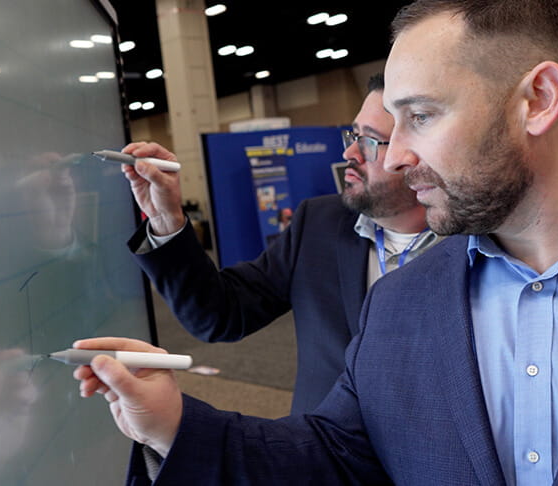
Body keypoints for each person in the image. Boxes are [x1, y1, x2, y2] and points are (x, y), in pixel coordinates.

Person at [73, 1, 558, 484]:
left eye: (420, 117)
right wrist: (173, 424)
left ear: (538, 100)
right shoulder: (401, 303)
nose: (394, 157)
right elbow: (340, 458)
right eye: (384, 129)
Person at [120, 73, 438, 415]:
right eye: (354, 134)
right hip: (319, 453)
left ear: (415, 155)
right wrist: (167, 219)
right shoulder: (318, 224)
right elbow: (218, 314)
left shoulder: (476, 245)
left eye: (370, 140)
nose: (349, 152)